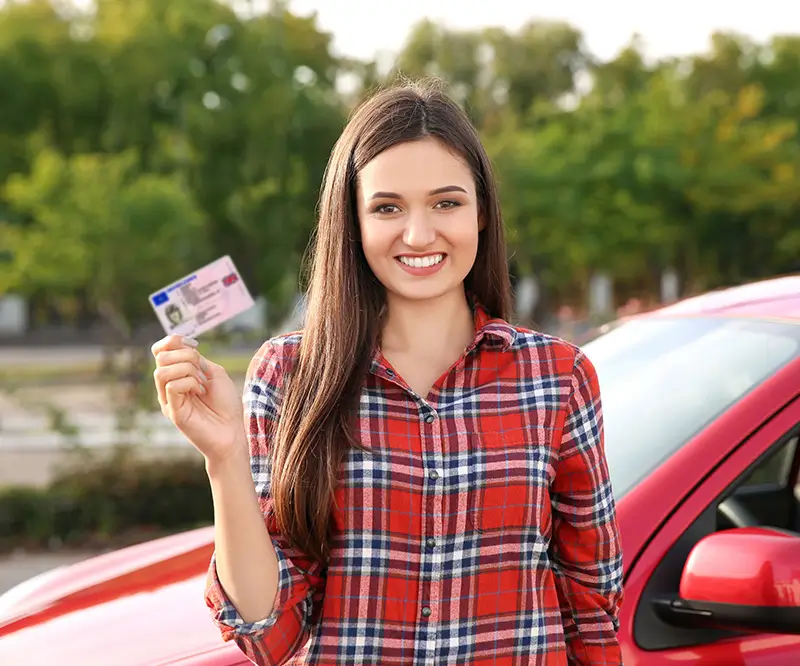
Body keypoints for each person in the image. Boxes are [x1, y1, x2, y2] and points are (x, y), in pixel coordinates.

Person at [152, 80, 624, 666]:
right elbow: (266, 632)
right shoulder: (289, 375)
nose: (419, 235)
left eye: (446, 202)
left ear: (481, 214)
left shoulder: (557, 377)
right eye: (387, 207)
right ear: (352, 221)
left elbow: (592, 602)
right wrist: (223, 460)